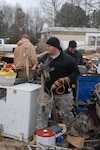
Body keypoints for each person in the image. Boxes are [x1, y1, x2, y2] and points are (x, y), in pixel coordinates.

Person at [35, 37, 79, 129]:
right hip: (47, 91)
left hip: (63, 93)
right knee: (42, 113)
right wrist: (39, 70)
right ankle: (40, 133)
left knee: (66, 114)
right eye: (46, 46)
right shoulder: (45, 58)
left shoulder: (68, 60)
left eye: (49, 46)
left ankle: (70, 133)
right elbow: (38, 72)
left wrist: (65, 80)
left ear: (55, 47)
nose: (47, 48)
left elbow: (75, 73)